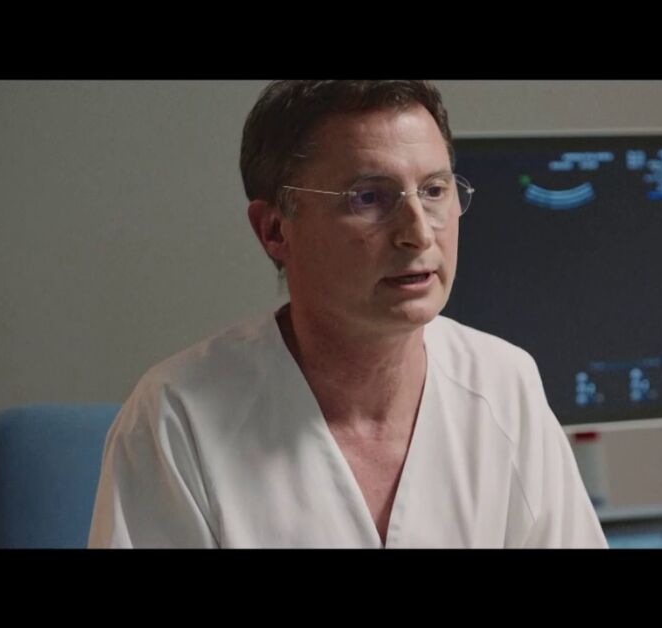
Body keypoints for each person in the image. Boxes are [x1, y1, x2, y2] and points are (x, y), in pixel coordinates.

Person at [88, 80, 607, 548]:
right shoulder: (176, 419)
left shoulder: (505, 386)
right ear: (274, 230)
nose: (418, 233)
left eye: (434, 190)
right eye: (369, 198)